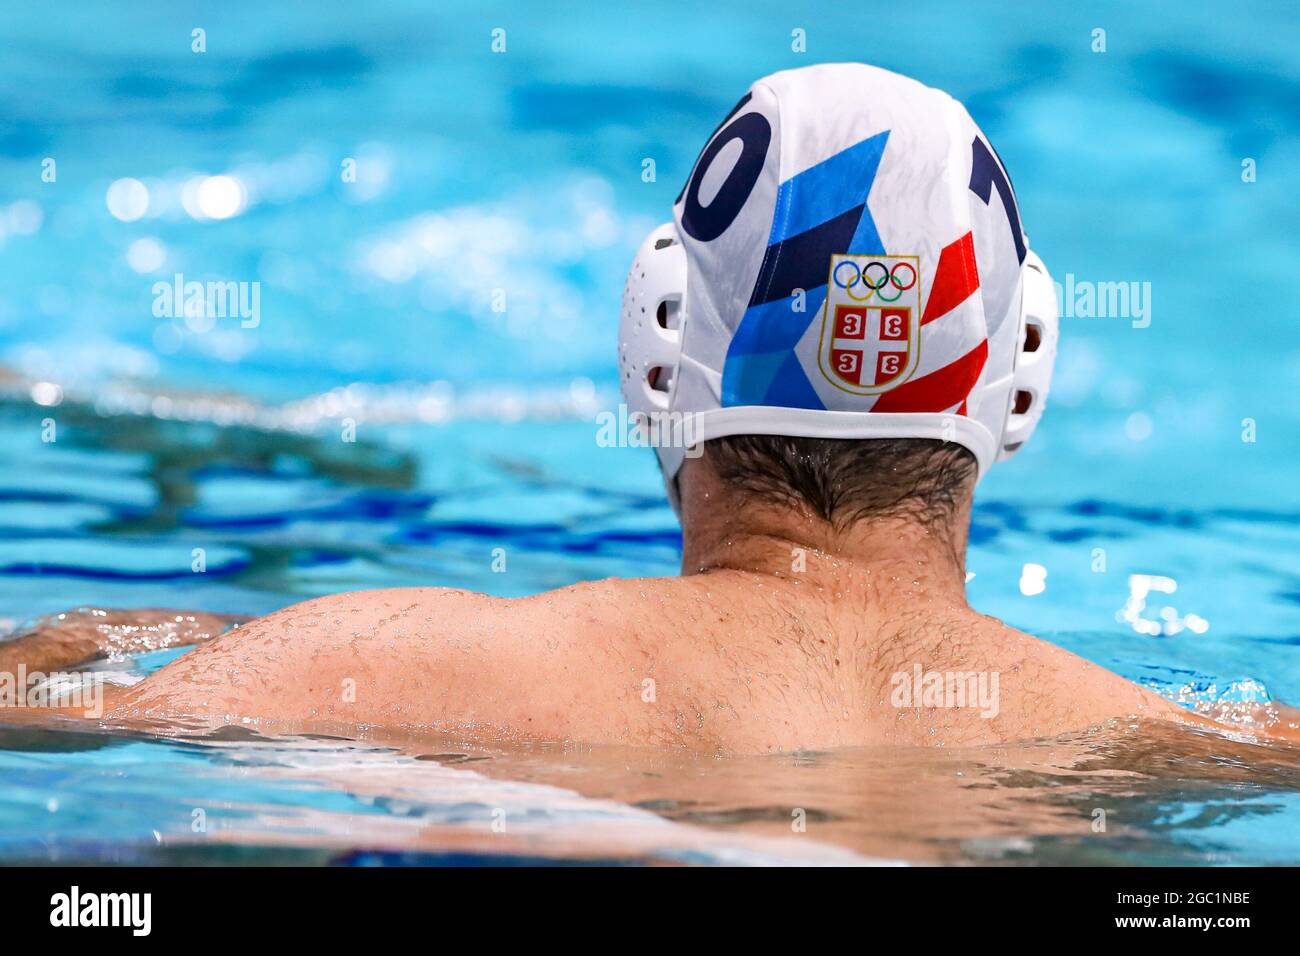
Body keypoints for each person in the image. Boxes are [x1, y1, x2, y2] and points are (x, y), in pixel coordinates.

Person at [2, 64, 1293, 752]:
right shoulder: (1179, 744)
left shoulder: (382, 668)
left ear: (658, 339)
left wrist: (87, 640)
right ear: (1022, 369)